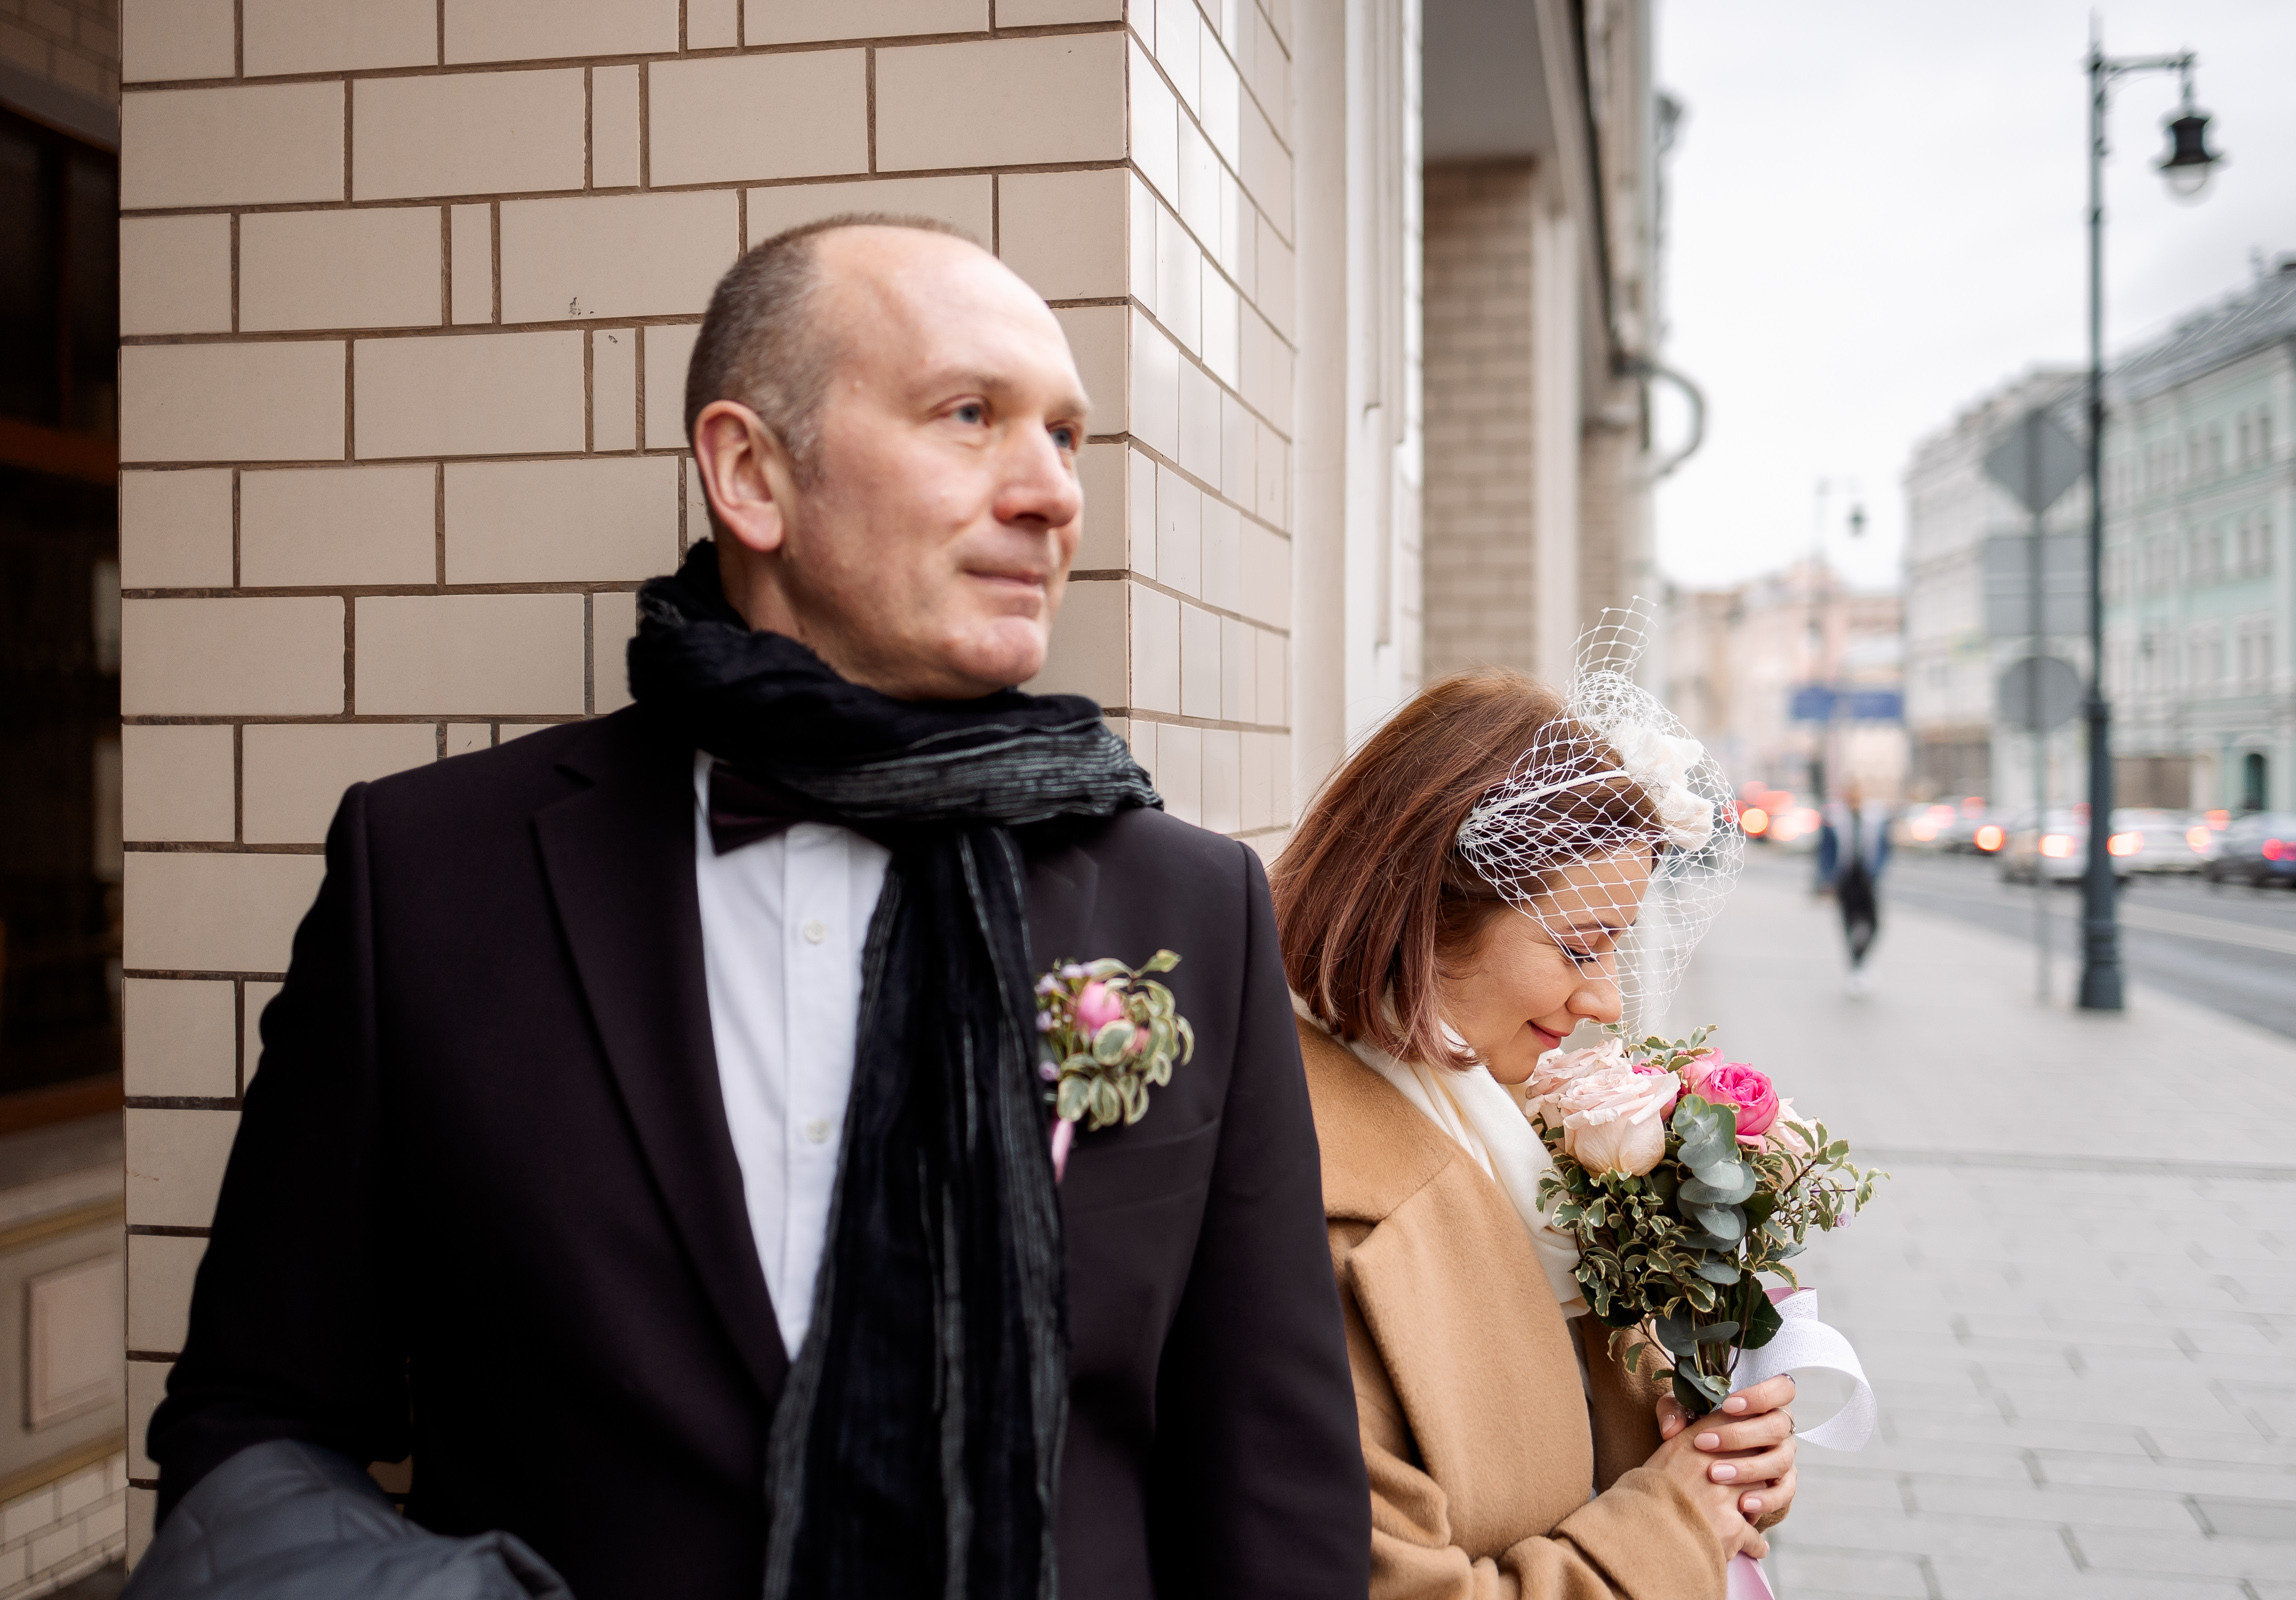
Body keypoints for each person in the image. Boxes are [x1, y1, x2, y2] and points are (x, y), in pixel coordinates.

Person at [137, 218, 1369, 1600]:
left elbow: (1275, 1482)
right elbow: (255, 1420)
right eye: (970, 415)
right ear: (749, 474)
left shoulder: (1188, 904)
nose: (1049, 493)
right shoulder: (428, 877)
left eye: (1068, 437)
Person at [1268, 668, 1799, 1598]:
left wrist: (1721, 1463)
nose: (1607, 999)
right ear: (1425, 913)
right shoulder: (1303, 1199)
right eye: (1582, 945)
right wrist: (1673, 1527)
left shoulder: (1495, 1109)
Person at [1816, 775, 1890, 996]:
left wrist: (1877, 870)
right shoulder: (1834, 818)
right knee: (1848, 924)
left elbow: (1884, 848)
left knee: (1874, 924)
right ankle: (1855, 968)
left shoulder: (1875, 818)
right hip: (1845, 879)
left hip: (1867, 879)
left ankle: (1860, 962)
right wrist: (1825, 879)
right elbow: (1825, 851)